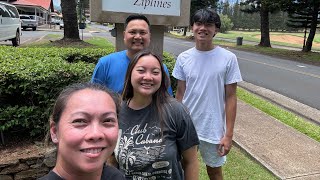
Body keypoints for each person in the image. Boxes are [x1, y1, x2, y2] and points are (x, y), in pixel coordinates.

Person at [172, 9, 243, 180]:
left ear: (216, 29)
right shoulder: (183, 58)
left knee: (214, 171)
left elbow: (231, 97)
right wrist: (174, 124)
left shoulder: (228, 58)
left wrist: (229, 135)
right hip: (186, 125)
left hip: (212, 127)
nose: (203, 28)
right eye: (199, 24)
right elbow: (180, 92)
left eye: (209, 25)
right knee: (182, 168)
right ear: (192, 27)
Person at [112, 50, 199, 179]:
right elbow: (111, 162)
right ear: (130, 74)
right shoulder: (116, 112)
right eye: (141, 70)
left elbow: (191, 162)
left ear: (162, 77)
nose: (148, 77)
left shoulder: (176, 111)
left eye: (155, 72)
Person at [38, 82, 125, 180]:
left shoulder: (114, 176)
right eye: (79, 121)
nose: (96, 134)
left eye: (107, 120)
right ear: (54, 131)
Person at [91, 14, 173, 96]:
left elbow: (166, 101)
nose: (138, 37)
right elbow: (93, 97)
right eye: (132, 32)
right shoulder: (105, 64)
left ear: (149, 36)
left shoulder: (160, 68)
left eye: (142, 32)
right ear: (124, 35)